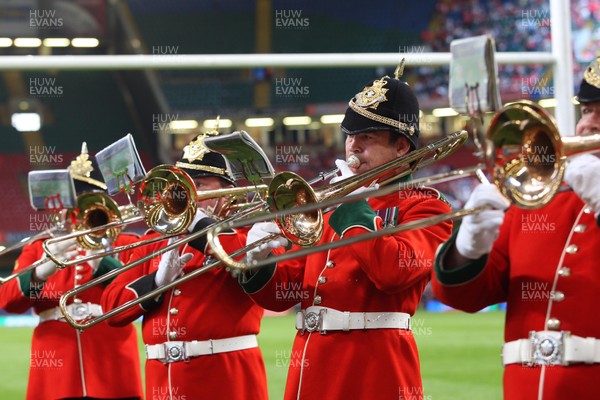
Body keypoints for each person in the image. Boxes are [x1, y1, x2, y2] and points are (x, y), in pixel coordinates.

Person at [239, 69, 454, 399]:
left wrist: (354, 208)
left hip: (373, 373)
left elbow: (393, 272)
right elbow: (285, 293)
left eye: (367, 136)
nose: (354, 146)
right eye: (350, 135)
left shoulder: (425, 207)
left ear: (401, 146)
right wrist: (259, 261)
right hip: (309, 372)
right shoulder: (326, 207)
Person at [431, 56, 600, 399]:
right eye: (586, 110)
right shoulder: (541, 200)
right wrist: (468, 248)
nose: (587, 126)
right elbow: (464, 297)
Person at [101, 135, 268, 400]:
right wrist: (155, 282)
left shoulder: (249, 234)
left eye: (199, 185)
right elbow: (112, 309)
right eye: (181, 186)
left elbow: (240, 258)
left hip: (224, 380)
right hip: (161, 383)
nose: (186, 195)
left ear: (227, 192)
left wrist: (198, 225)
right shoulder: (153, 240)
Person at [0, 144, 143, 400]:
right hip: (57, 372)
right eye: (71, 205)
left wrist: (103, 262)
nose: (76, 214)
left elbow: (136, 296)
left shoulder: (125, 243)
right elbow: (8, 301)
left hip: (112, 366)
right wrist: (38, 275)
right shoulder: (40, 247)